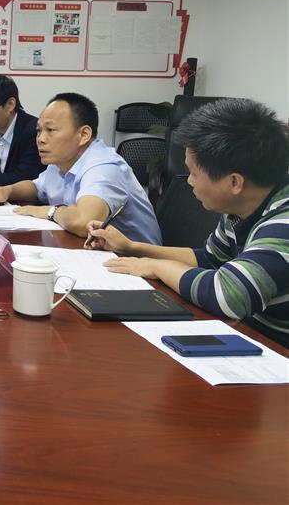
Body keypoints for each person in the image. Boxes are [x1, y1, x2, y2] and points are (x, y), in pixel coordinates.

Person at [89, 98, 288, 346]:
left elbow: (228, 295)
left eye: (194, 173)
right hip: (250, 334)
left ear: (234, 182)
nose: (189, 181)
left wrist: (157, 267)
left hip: (277, 349)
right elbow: (211, 259)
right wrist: (132, 247)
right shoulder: (243, 204)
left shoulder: (283, 221)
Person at [0, 92, 161, 244]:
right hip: (93, 251)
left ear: (83, 135)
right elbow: (37, 187)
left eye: (50, 130)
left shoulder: (105, 167)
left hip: (139, 263)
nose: (40, 139)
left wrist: (51, 211)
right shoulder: (61, 161)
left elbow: (84, 222)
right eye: (39, 131)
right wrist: (7, 190)